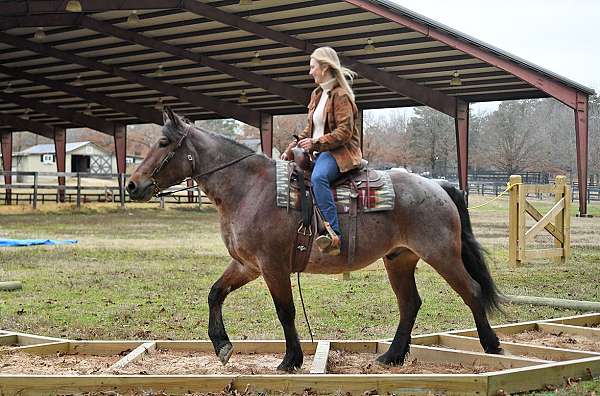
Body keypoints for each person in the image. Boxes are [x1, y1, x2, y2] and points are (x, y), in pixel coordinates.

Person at [282, 47, 363, 256]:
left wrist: (316, 143)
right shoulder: (317, 94)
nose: (310, 72)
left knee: (318, 179)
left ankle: (333, 234)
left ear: (325, 67)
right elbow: (309, 130)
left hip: (339, 152)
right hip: (319, 152)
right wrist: (291, 149)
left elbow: (344, 132)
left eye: (313, 67)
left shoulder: (341, 95)